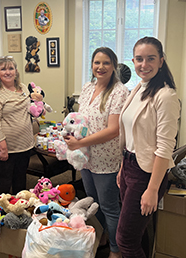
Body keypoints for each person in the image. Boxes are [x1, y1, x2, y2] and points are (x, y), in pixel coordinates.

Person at [116, 37, 180, 258]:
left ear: (161, 61)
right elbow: (130, 135)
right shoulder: (138, 89)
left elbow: (164, 148)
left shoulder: (166, 96)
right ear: (133, 61)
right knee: (136, 234)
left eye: (150, 59)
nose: (144, 65)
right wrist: (122, 169)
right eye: (139, 59)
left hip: (147, 173)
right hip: (129, 166)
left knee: (125, 239)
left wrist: (152, 190)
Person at [64, 47, 129, 258]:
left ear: (114, 66)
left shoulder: (119, 91)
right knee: (92, 201)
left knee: (109, 205)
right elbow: (80, 119)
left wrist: (78, 143)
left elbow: (113, 130)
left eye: (106, 63)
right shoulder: (87, 87)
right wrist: (70, 134)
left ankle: (116, 250)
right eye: (97, 63)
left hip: (106, 158)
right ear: (91, 65)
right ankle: (102, 235)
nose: (100, 67)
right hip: (85, 157)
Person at [0, 56, 35, 200]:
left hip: (25, 145)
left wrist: (40, 108)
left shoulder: (23, 88)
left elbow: (30, 109)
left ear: (16, 71)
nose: (7, 72)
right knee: (4, 183)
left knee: (20, 180)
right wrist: (2, 147)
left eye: (10, 68)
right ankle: (1, 214)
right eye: (3, 69)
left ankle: (19, 211)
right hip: (7, 147)